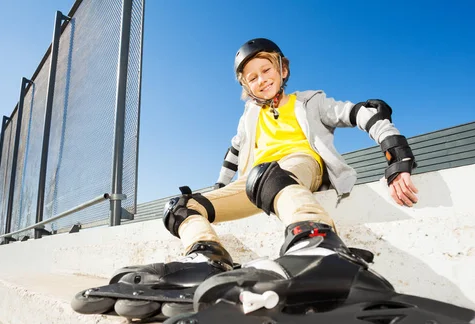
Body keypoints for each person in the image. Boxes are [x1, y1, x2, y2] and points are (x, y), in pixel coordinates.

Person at [158, 37, 419, 298]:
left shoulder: (309, 101)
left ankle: (317, 243)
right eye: (252, 78)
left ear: (282, 70)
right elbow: (234, 152)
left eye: (266, 70)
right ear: (246, 86)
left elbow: (364, 112)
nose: (261, 80)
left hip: (301, 165)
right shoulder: (249, 116)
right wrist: (221, 188)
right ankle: (207, 258)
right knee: (180, 207)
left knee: (271, 175)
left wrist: (397, 157)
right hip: (255, 183)